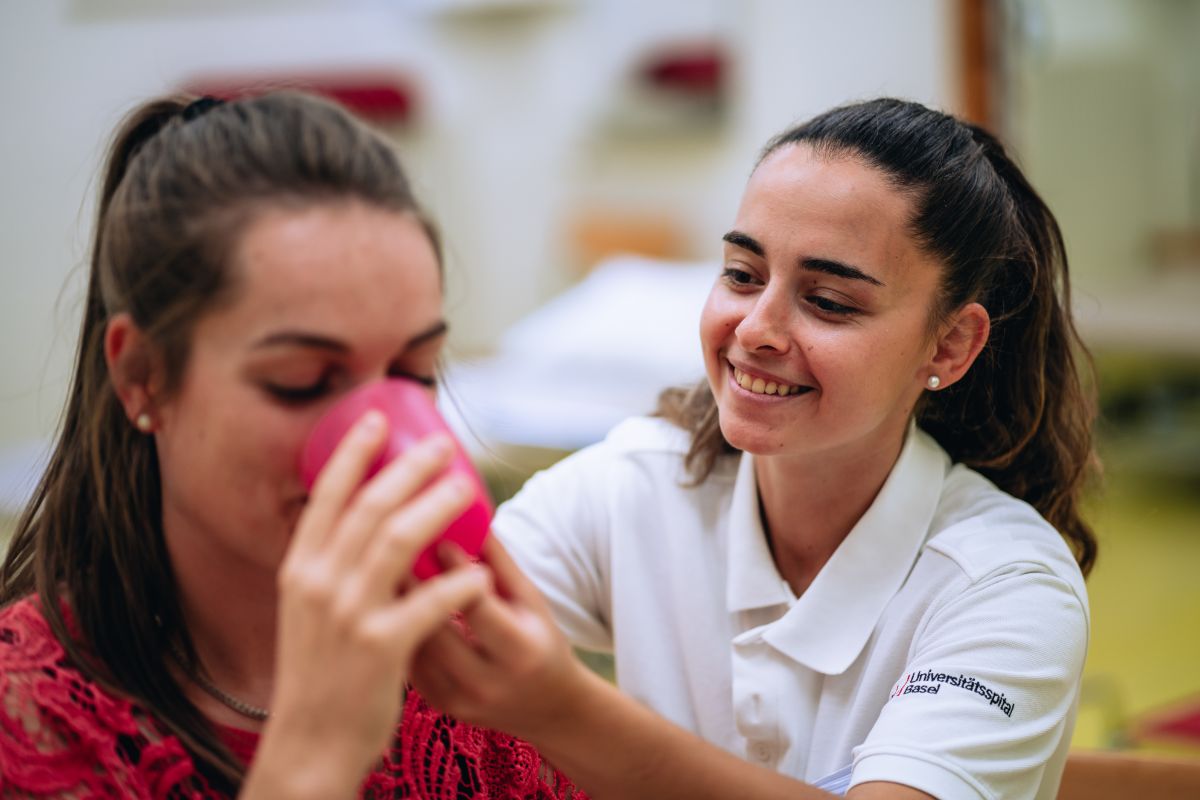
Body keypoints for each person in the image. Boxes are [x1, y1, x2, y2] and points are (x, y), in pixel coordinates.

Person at [409, 98, 1097, 799]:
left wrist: (570, 712)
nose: (756, 329)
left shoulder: (1003, 583)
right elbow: (425, 632)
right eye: (742, 274)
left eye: (828, 300)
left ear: (950, 345)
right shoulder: (637, 484)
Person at [0, 92, 582, 799]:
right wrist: (314, 756)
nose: (376, 442)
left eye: (412, 375)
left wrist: (570, 715)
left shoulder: (467, 676)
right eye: (302, 382)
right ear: (143, 377)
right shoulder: (29, 721)